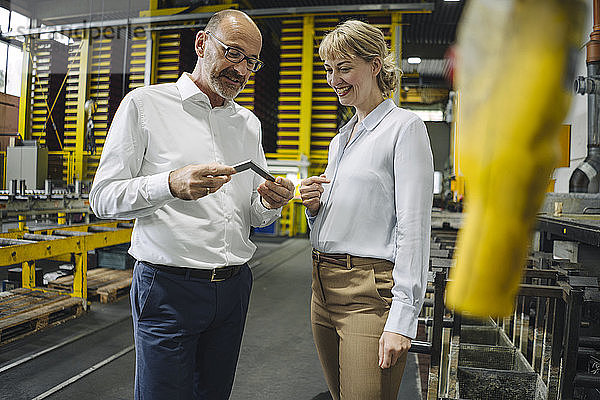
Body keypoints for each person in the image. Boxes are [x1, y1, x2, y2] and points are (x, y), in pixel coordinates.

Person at [89, 9, 295, 400]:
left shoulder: (248, 124)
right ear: (201, 43)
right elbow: (103, 197)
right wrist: (169, 184)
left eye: (252, 61)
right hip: (169, 288)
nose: (242, 69)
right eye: (233, 53)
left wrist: (270, 203)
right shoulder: (145, 105)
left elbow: (250, 211)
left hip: (233, 288)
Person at [299, 20, 433, 400]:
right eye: (328, 69)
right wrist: (314, 206)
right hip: (321, 287)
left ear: (375, 65)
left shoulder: (404, 129)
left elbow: (413, 228)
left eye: (344, 68)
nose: (334, 79)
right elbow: (349, 214)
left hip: (368, 293)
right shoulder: (341, 139)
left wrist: (403, 320)